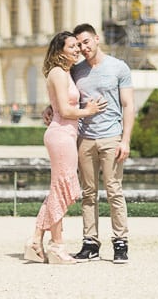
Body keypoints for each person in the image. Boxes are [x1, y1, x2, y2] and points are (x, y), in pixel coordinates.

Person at [25, 31, 105, 265]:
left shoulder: (65, 72)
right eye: (72, 46)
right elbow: (66, 111)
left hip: (67, 134)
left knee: (60, 190)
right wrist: (89, 111)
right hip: (61, 135)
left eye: (78, 46)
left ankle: (36, 239)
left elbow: (57, 106)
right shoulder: (58, 73)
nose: (77, 49)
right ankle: (56, 246)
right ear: (60, 50)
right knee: (62, 190)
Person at [71, 22, 134, 264]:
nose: (83, 48)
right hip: (85, 138)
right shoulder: (76, 71)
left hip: (111, 137)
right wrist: (48, 109)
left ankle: (120, 242)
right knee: (88, 193)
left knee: (114, 191)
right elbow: (67, 98)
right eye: (79, 45)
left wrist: (125, 140)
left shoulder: (119, 67)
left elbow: (128, 105)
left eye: (86, 42)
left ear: (97, 39)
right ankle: (90, 243)